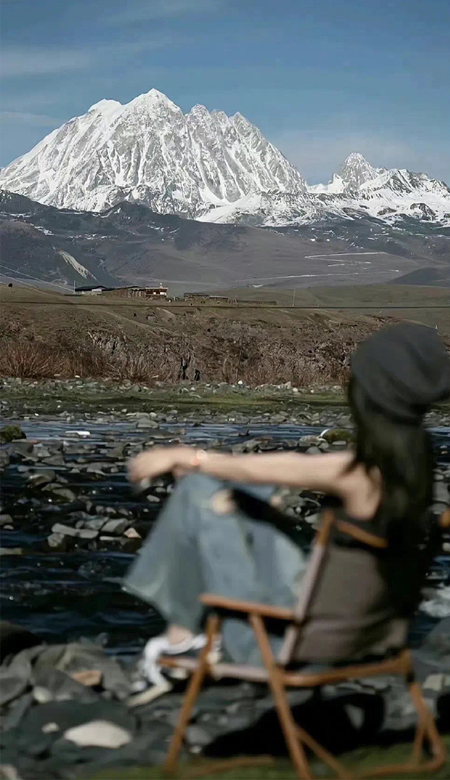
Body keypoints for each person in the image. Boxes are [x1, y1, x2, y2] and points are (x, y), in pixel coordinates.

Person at [123, 323, 450, 692]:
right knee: (243, 495)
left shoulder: (361, 476)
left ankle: (180, 640)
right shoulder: (416, 463)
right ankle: (181, 637)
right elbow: (292, 469)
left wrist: (190, 457)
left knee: (198, 491)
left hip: (299, 640)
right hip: (367, 630)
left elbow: (295, 466)